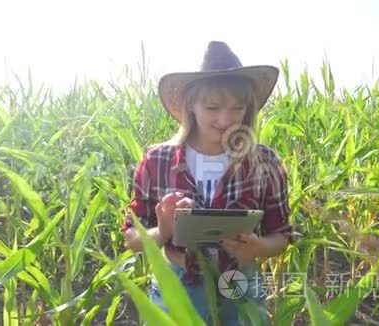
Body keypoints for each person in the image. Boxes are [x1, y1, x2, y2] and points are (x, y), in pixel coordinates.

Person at [121, 41, 295, 325]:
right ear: (191, 104)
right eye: (212, 107)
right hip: (178, 282)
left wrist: (257, 249)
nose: (225, 119)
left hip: (239, 279)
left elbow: (281, 234)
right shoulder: (158, 161)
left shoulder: (264, 163)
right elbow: (133, 239)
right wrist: (163, 230)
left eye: (237, 108)